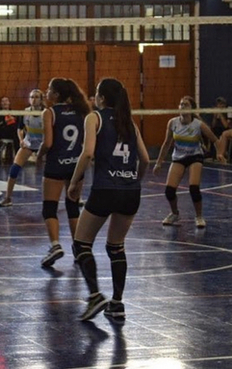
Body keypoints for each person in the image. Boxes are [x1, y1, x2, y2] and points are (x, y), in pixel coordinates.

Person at [67, 78, 150, 321]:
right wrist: (134, 180)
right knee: (116, 247)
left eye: (96, 94)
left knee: (81, 244)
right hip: (130, 191)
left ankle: (94, 295)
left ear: (102, 98)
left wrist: (74, 182)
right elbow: (144, 159)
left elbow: (88, 152)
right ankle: (117, 303)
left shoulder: (95, 117)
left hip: (105, 189)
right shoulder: (129, 122)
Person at [37, 78, 89, 268]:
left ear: (57, 94)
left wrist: (38, 156)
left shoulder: (49, 113)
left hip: (56, 163)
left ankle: (55, 245)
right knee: (72, 205)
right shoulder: (82, 112)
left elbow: (48, 143)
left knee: (49, 207)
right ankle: (78, 247)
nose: (46, 91)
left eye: (49, 89)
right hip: (76, 164)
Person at [153, 96, 219, 228]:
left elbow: (215, 140)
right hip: (179, 157)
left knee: (194, 188)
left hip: (195, 156)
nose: (182, 106)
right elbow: (166, 144)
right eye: (181, 104)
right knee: (169, 191)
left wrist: (221, 153)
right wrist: (158, 163)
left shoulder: (198, 125)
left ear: (192, 109)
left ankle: (199, 217)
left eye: (186, 105)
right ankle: (175, 213)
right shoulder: (173, 123)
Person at [0, 89, 44, 207]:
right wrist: (21, 140)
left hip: (44, 144)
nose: (34, 99)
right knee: (14, 169)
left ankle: (74, 197)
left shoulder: (46, 113)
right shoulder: (25, 112)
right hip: (29, 143)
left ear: (41, 99)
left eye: (37, 97)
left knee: (58, 171)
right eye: (32, 97)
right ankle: (8, 198)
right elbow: (20, 128)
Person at [0, 96, 19, 163]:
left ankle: (18, 155)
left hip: (12, 133)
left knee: (17, 131)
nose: (5, 102)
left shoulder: (14, 113)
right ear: (1, 104)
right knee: (14, 129)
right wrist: (5, 122)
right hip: (2, 132)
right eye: (3, 101)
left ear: (9, 103)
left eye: (6, 101)